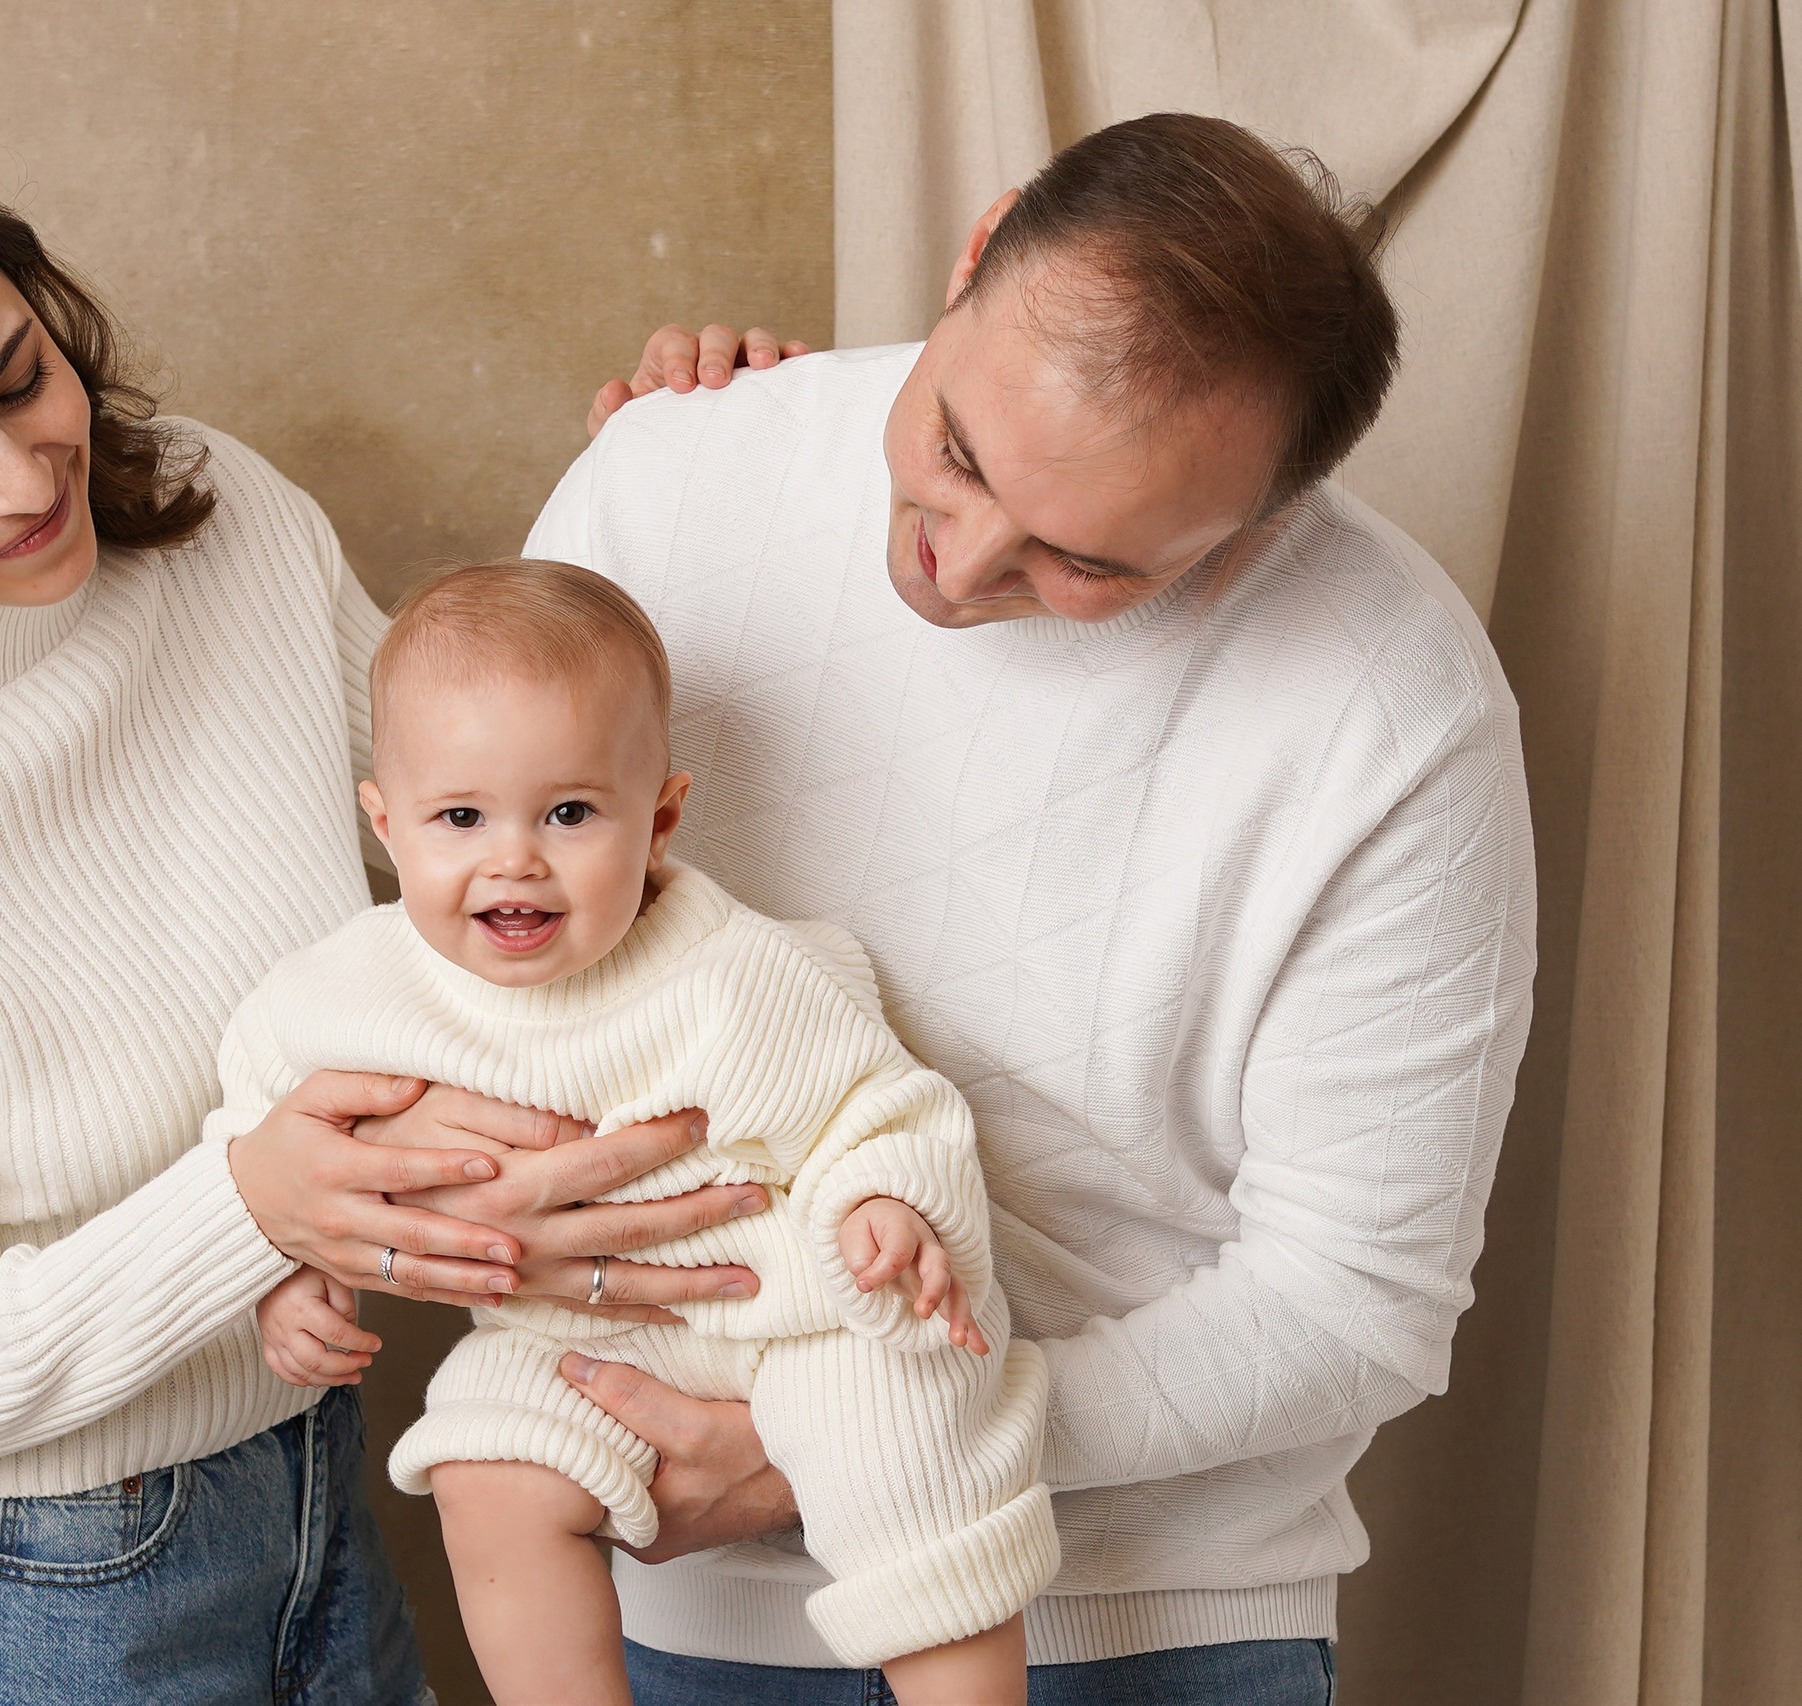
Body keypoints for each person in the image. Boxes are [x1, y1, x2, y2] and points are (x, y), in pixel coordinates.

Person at [0, 125, 800, 1705]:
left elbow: (489, 818)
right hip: (39, 1589)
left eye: (19, 376)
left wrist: (714, 468)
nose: (23, 475)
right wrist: (249, 1209)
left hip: (328, 1478)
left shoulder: (216, 517)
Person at [418, 112, 1538, 1704]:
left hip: (1152, 1616)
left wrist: (863, 1442)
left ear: (1267, 520)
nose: (955, 564)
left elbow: (1359, 1299)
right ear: (979, 247)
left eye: (1085, 562)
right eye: (954, 446)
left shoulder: (1394, 707)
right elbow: (493, 963)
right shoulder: (675, 475)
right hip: (682, 1591)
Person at [244, 560, 1052, 1705]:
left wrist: (888, 1204)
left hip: (789, 1318)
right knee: (481, 1457)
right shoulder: (349, 993)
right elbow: (269, 1128)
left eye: (569, 812)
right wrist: (290, 1265)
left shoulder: (731, 974)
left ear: (661, 816)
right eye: (460, 816)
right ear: (386, 820)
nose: (513, 856)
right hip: (567, 1335)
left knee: (907, 1439)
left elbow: (877, 1104)